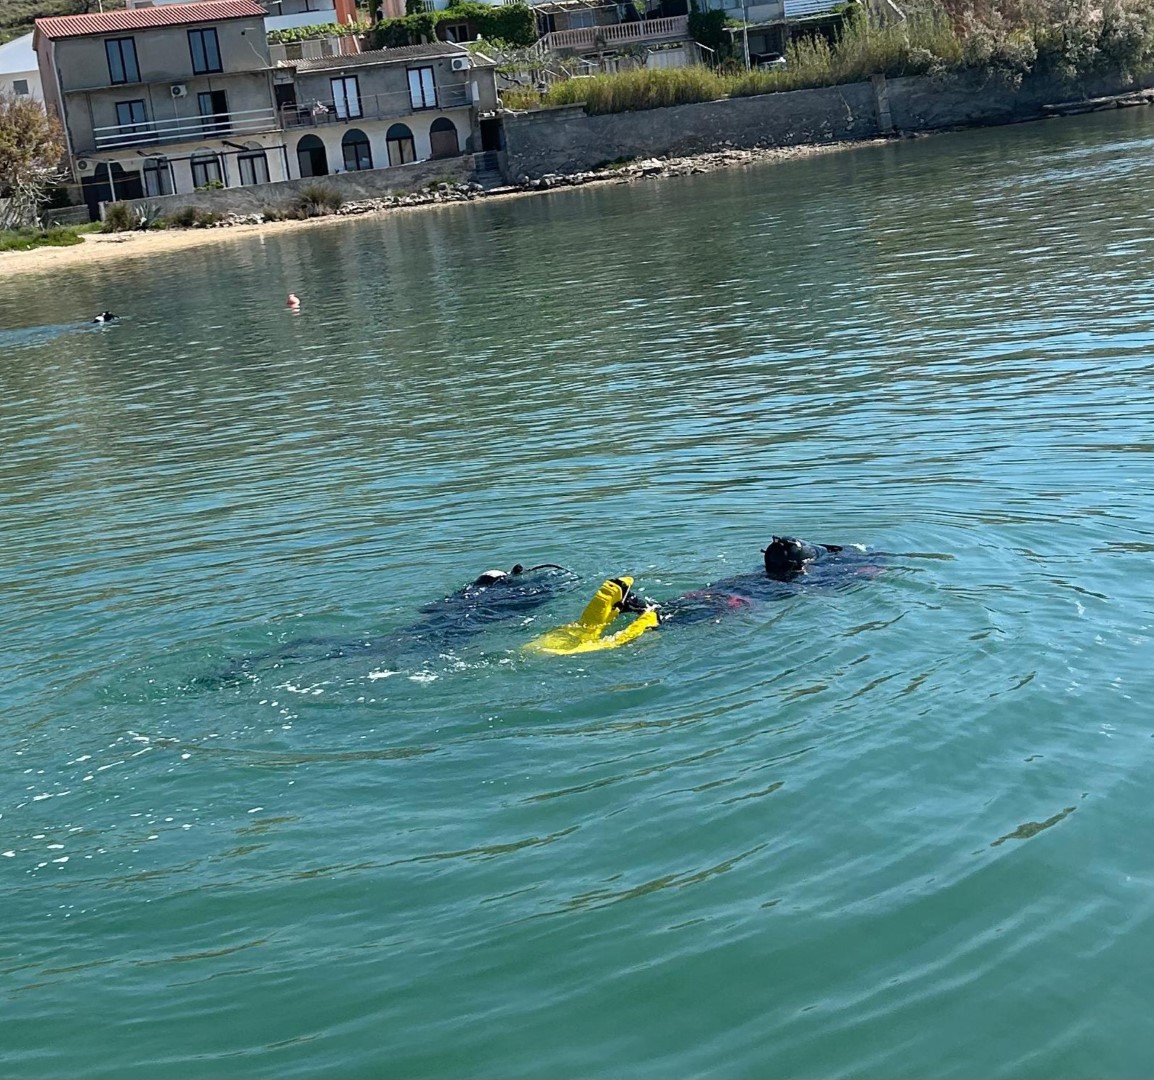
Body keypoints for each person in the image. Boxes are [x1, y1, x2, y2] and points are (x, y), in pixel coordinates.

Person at [524, 537, 882, 653]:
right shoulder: (795, 583)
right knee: (662, 622)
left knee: (670, 610)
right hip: (733, 604)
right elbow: (844, 579)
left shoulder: (754, 574)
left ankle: (631, 603)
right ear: (801, 567)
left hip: (714, 593)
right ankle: (642, 618)